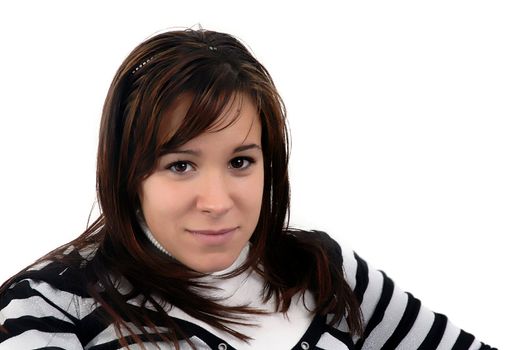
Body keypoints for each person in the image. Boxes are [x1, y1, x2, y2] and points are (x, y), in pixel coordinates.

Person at [0, 28, 496, 350]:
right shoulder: (46, 306)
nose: (216, 202)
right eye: (180, 166)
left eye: (240, 161)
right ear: (128, 172)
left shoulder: (325, 272)